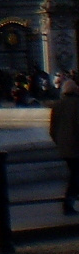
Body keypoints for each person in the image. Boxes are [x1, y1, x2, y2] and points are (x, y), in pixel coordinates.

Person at [50, 78, 79, 215]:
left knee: (75, 174)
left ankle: (69, 202)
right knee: (75, 176)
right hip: (76, 147)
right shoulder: (77, 104)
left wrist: (60, 142)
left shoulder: (57, 105)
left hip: (64, 147)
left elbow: (52, 130)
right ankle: (68, 203)